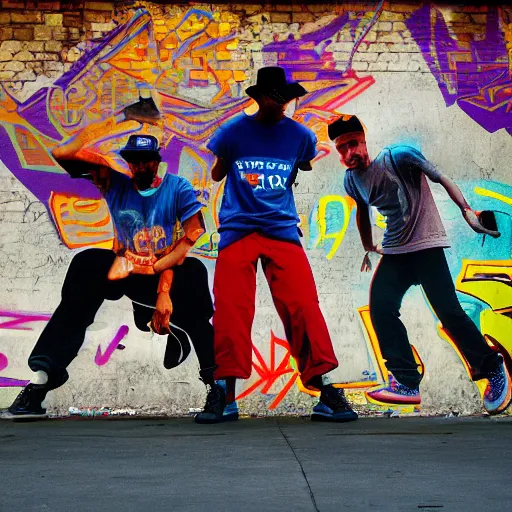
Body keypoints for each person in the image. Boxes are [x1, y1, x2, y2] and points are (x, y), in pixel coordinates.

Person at [3, 98, 222, 420]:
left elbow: (191, 236)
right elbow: (63, 153)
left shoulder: (177, 187)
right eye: (135, 161)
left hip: (166, 268)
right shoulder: (115, 182)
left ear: (156, 162)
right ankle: (41, 382)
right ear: (128, 163)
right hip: (127, 268)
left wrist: (162, 287)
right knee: (87, 263)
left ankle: (215, 388)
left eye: (147, 161)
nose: (141, 167)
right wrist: (117, 121)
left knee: (195, 278)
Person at [194, 66, 358, 424]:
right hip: (238, 228)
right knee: (231, 309)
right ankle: (225, 392)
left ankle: (326, 389)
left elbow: (303, 165)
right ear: (261, 97)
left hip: (282, 229)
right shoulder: (233, 132)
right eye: (276, 97)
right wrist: (231, 163)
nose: (282, 103)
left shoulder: (300, 136)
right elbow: (217, 172)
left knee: (302, 305)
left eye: (287, 97)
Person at [328, 114, 512, 414]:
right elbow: (362, 210)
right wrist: (366, 245)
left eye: (352, 144)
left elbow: (441, 178)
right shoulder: (351, 179)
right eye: (341, 149)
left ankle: (491, 366)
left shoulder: (398, 157)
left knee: (449, 312)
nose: (349, 154)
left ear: (363, 140)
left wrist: (467, 210)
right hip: (396, 252)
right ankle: (405, 382)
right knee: (380, 308)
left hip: (426, 246)